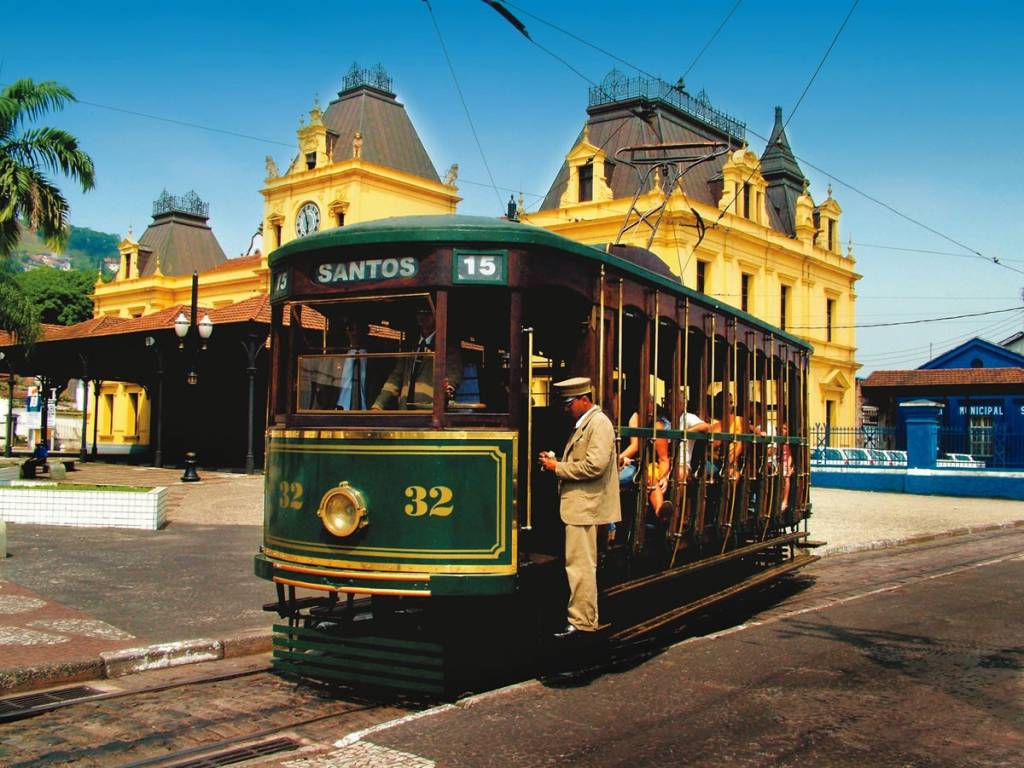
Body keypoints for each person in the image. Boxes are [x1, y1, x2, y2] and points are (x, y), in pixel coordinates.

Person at [539, 377, 621, 639]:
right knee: (579, 564)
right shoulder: (588, 423)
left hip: (585, 506)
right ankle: (582, 619)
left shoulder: (599, 424)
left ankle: (583, 622)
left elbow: (594, 466)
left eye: (569, 403)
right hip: (580, 506)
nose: (566, 409)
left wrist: (557, 467)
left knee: (581, 565)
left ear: (584, 399)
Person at [371, 307, 460, 410]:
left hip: (430, 411)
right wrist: (378, 405)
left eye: (427, 312)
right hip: (405, 412)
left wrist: (448, 388)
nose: (423, 316)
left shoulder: (447, 347)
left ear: (437, 315)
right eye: (419, 312)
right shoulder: (409, 346)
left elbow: (453, 375)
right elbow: (395, 378)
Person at [618, 404, 672, 517]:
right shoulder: (634, 417)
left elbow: (663, 458)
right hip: (631, 463)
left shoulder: (657, 426)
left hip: (650, 464)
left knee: (652, 478)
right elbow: (634, 447)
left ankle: (660, 510)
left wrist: (663, 477)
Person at [336, 318, 368, 410]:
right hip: (339, 413)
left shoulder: (377, 359)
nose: (355, 333)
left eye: (359, 328)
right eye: (351, 328)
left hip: (367, 414)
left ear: (366, 331)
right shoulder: (336, 357)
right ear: (346, 331)